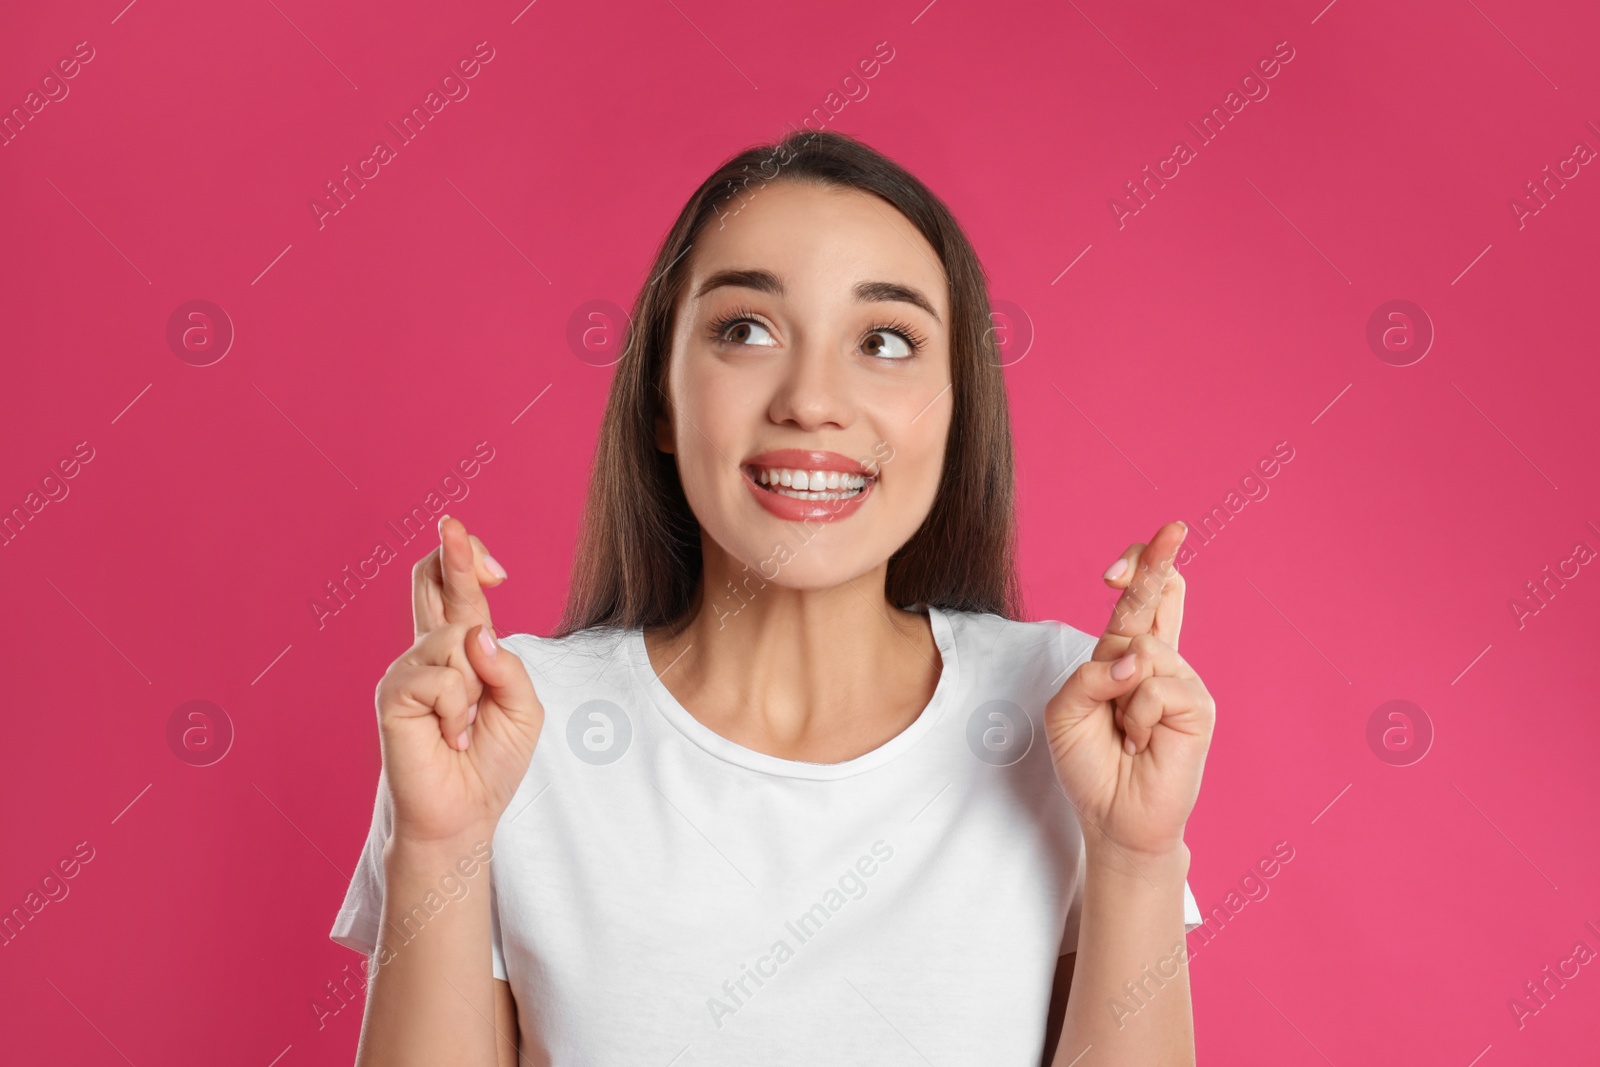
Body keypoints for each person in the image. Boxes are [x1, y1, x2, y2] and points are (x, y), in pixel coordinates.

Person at [330, 128, 1215, 1066]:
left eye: (884, 340)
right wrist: (437, 841)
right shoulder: (507, 727)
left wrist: (1134, 856)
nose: (812, 399)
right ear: (662, 401)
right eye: (745, 329)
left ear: (957, 416)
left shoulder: (1065, 713)